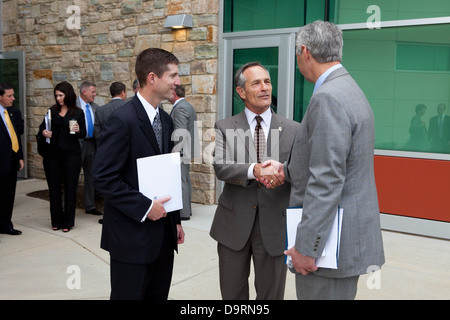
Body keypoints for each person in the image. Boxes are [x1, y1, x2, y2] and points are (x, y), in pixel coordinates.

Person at [261, 21, 385, 300]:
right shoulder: (348, 87)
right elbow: (336, 161)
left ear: (304, 52)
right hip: (343, 240)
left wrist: (306, 248)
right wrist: (288, 169)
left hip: (328, 251)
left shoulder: (327, 97)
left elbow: (327, 180)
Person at [93, 48, 185, 300]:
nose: (178, 82)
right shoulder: (122, 120)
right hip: (131, 239)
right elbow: (103, 177)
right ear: (153, 78)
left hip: (163, 238)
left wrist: (174, 219)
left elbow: (166, 171)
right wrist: (145, 207)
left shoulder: (165, 120)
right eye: (173, 75)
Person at [210, 62, 300, 300]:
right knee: (232, 295)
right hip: (233, 225)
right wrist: (254, 171)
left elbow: (302, 170)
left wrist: (284, 173)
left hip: (274, 226)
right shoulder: (226, 126)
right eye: (256, 83)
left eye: (267, 82)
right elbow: (221, 166)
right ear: (241, 92)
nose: (264, 88)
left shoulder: (293, 129)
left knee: (271, 296)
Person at [36, 81, 86, 232]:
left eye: (61, 95)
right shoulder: (51, 111)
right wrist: (44, 132)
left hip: (71, 156)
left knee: (71, 188)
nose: (58, 98)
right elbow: (41, 129)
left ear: (68, 94)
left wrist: (78, 130)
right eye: (56, 95)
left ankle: (68, 222)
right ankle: (56, 221)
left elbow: (84, 133)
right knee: (54, 189)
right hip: (52, 156)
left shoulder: (77, 112)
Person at [169, 85, 199, 220]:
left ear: (174, 93)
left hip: (181, 150)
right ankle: (188, 210)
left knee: (182, 180)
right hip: (186, 149)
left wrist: (177, 150)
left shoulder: (180, 107)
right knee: (185, 179)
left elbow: (180, 132)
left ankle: (184, 213)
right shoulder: (187, 106)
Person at [0, 83, 24, 235]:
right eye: (9, 96)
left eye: (13, 95)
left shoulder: (13, 112)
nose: (13, 98)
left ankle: (5, 225)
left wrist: (20, 157)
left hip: (12, 161)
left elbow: (16, 136)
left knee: (8, 196)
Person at [77, 81, 102, 216]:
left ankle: (90, 205)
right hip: (77, 145)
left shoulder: (95, 107)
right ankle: (66, 204)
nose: (95, 94)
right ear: (84, 92)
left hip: (91, 144)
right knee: (72, 176)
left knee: (91, 176)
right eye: (92, 92)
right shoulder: (73, 106)